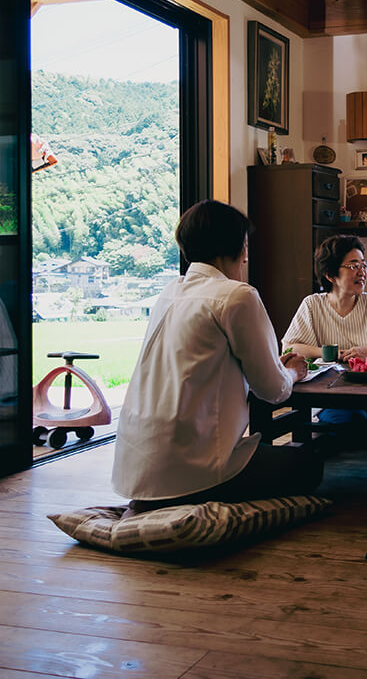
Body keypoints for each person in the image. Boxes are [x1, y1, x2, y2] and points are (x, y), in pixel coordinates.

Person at [112, 200, 317, 513]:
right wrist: (292, 372)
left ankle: (161, 499)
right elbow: (273, 390)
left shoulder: (169, 292)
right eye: (245, 245)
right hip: (197, 466)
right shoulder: (237, 295)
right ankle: (193, 497)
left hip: (135, 469)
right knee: (312, 463)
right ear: (240, 247)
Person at [281, 235, 367, 361]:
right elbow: (289, 348)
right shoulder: (312, 304)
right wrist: (332, 353)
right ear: (330, 275)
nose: (362, 273)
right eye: (354, 266)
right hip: (325, 379)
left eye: (364, 266)